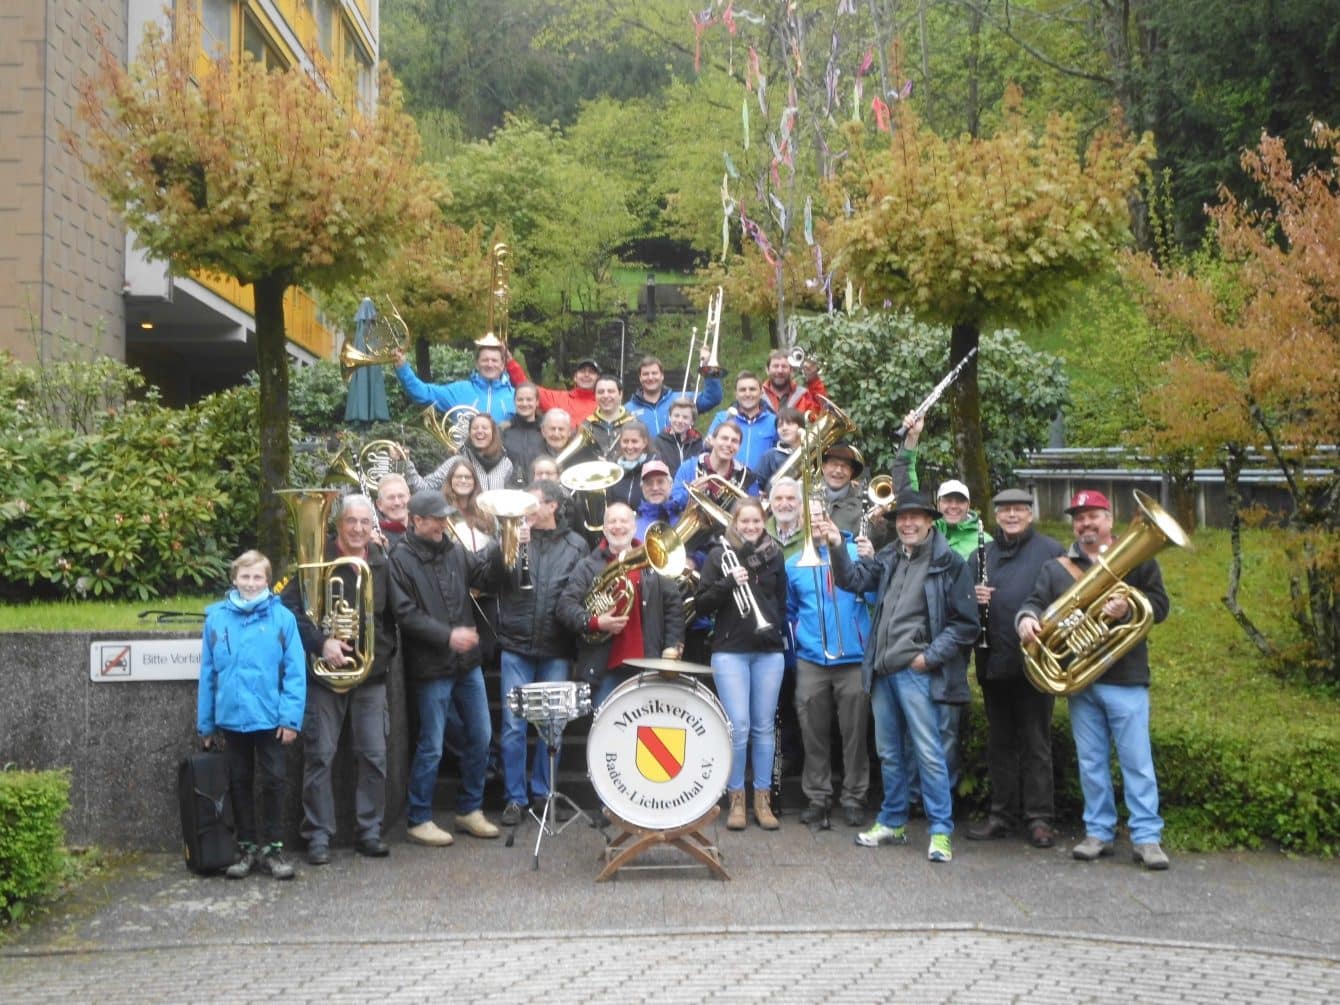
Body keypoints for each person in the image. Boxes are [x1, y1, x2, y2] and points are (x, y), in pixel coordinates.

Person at [1016, 489, 1172, 870]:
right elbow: (1035, 602)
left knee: (1137, 762)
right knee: (1091, 762)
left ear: (1109, 519)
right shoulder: (1056, 568)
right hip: (1082, 682)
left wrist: (1130, 602)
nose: (1086, 523)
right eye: (1079, 518)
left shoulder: (1140, 560)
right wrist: (1026, 620)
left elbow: (1160, 605)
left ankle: (1147, 838)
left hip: (1127, 678)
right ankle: (1098, 832)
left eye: (1093, 516)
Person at [827, 491, 977, 864]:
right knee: (889, 754)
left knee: (929, 754)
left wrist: (929, 658)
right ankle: (893, 821)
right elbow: (852, 581)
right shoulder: (891, 555)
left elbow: (965, 624)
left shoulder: (950, 562)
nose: (907, 524)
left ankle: (941, 831)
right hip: (882, 670)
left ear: (930, 521)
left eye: (915, 518)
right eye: (901, 519)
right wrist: (834, 546)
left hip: (917, 672)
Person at [281, 494, 398, 864]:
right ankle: (317, 836)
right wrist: (321, 642)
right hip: (325, 679)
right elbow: (289, 610)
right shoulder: (316, 560)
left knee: (375, 757)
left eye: (366, 522)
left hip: (369, 677)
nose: (359, 529)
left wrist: (383, 652)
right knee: (319, 757)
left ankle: (369, 831)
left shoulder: (381, 563)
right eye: (352, 521)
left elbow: (396, 614)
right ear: (338, 524)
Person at [389, 490, 505, 846]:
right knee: (432, 745)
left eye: (445, 517)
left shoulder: (454, 550)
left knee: (481, 736)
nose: (444, 523)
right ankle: (418, 817)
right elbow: (404, 613)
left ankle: (469, 809)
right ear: (417, 521)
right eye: (437, 518)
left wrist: (506, 546)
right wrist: (447, 636)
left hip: (466, 663)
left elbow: (486, 580)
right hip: (431, 665)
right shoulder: (400, 558)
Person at [198, 550, 306, 880]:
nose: (250, 583)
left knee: (274, 782)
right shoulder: (216, 619)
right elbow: (207, 673)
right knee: (239, 783)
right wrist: (206, 723)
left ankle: (272, 849)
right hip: (232, 719)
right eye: (245, 576)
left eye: (257, 577)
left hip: (270, 719)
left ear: (267, 581)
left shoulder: (282, 619)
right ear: (234, 579)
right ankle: (245, 847)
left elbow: (295, 672)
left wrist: (290, 719)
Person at [966, 488, 1065, 848]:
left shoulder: (1052, 551)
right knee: (1000, 744)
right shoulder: (983, 554)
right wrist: (970, 596)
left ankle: (1040, 819)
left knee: (1037, 742)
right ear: (997, 516)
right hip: (994, 662)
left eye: (1018, 510)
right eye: (1005, 511)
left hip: (1037, 662)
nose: (1011, 516)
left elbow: (1068, 600)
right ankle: (1001, 815)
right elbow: (960, 605)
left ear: (1030, 514)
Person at [495, 480, 591, 825]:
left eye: (533, 503)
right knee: (512, 726)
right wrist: (507, 547)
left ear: (552, 506)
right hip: (516, 643)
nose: (526, 510)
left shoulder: (577, 544)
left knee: (553, 727)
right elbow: (493, 578)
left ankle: (543, 792)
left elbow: (582, 593)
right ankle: (514, 798)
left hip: (556, 646)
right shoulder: (511, 535)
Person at [694, 500, 788, 831]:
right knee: (739, 725)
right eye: (744, 521)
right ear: (734, 522)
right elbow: (701, 604)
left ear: (764, 522)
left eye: (756, 521)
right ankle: (736, 798)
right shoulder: (719, 555)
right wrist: (728, 582)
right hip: (730, 650)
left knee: (763, 727)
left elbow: (782, 600)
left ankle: (761, 798)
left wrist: (775, 629)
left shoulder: (775, 554)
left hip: (768, 651)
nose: (750, 526)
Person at [786, 507, 874, 830]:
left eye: (822, 514)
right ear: (801, 522)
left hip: (852, 658)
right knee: (813, 732)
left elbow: (875, 594)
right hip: (812, 659)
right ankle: (818, 796)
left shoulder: (857, 552)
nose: (817, 521)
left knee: (854, 734)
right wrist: (802, 638)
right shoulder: (794, 563)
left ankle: (854, 796)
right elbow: (790, 609)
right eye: (809, 516)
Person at [557, 502, 684, 710]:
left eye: (624, 521)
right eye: (612, 521)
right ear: (604, 529)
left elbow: (674, 609)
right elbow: (565, 607)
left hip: (648, 665)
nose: (618, 526)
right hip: (604, 668)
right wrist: (597, 622)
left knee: (646, 733)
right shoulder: (588, 565)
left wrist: (672, 649)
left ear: (634, 527)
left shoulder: (655, 562)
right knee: (606, 734)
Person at [891, 412, 983, 560]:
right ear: (938, 504)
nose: (953, 506)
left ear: (969, 505)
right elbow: (904, 485)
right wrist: (912, 437)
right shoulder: (923, 530)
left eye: (960, 501)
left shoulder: (984, 540)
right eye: (947, 500)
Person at [391, 344, 516, 424]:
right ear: (477, 364)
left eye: (494, 360)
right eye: (485, 360)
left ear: (502, 364)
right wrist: (402, 368)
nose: (489, 364)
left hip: (504, 463)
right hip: (465, 462)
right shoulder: (460, 390)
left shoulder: (516, 396)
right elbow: (423, 393)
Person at [670, 420, 759, 514]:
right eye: (724, 438)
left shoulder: (746, 477)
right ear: (712, 440)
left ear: (739, 447)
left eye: (734, 441)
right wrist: (689, 494)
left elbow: (753, 514)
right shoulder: (689, 467)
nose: (729, 444)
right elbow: (672, 506)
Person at [625, 353, 723, 436]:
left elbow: (713, 397)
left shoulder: (683, 398)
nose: (650, 377)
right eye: (645, 374)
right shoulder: (628, 410)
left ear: (662, 376)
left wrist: (708, 366)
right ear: (640, 378)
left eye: (654, 373)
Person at [706, 371, 777, 472]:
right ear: (736, 394)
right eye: (742, 390)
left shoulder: (774, 421)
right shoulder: (722, 418)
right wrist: (708, 444)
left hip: (761, 485)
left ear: (761, 392)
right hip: (727, 481)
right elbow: (707, 446)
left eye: (752, 389)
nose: (747, 394)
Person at [505, 355, 600, 426]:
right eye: (582, 371)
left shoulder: (603, 404)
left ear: (597, 378)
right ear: (575, 377)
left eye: (591, 372)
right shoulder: (558, 398)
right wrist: (510, 362)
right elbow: (528, 388)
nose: (586, 375)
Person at [762, 348, 827, 418]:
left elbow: (820, 413)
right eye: (775, 366)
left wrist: (813, 378)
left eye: (784, 366)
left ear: (791, 370)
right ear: (767, 370)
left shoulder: (803, 396)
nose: (780, 371)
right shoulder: (756, 395)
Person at [502, 383, 545, 487]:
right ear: (514, 402)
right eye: (520, 399)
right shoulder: (503, 430)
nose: (524, 403)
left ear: (537, 402)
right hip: (510, 490)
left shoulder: (546, 432)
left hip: (540, 490)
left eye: (529, 399)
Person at [606, 420, 654, 511]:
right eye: (625, 441)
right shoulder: (614, 470)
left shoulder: (654, 468)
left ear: (644, 443)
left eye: (634, 441)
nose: (629, 446)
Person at [753, 407, 805, 492]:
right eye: (780, 425)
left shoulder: (811, 453)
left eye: (789, 423)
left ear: (801, 427)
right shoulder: (770, 456)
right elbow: (755, 484)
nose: (784, 428)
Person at [460, 412, 514, 493]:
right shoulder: (458, 460)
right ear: (470, 433)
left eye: (484, 428)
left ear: (493, 433)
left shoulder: (506, 463)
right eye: (475, 428)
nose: (479, 431)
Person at [634, 458, 682, 540]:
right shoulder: (631, 526)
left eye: (660, 482)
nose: (655, 488)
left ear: (670, 485)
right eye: (649, 483)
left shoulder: (684, 518)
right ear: (642, 488)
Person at [653, 397, 705, 471]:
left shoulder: (697, 442)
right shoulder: (659, 442)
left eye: (685, 417)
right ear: (670, 417)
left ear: (692, 421)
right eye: (676, 416)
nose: (680, 420)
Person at [373, 473, 411, 552]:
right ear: (379, 504)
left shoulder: (424, 527)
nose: (397, 502)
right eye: (391, 497)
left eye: (401, 496)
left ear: (410, 499)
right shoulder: (373, 536)